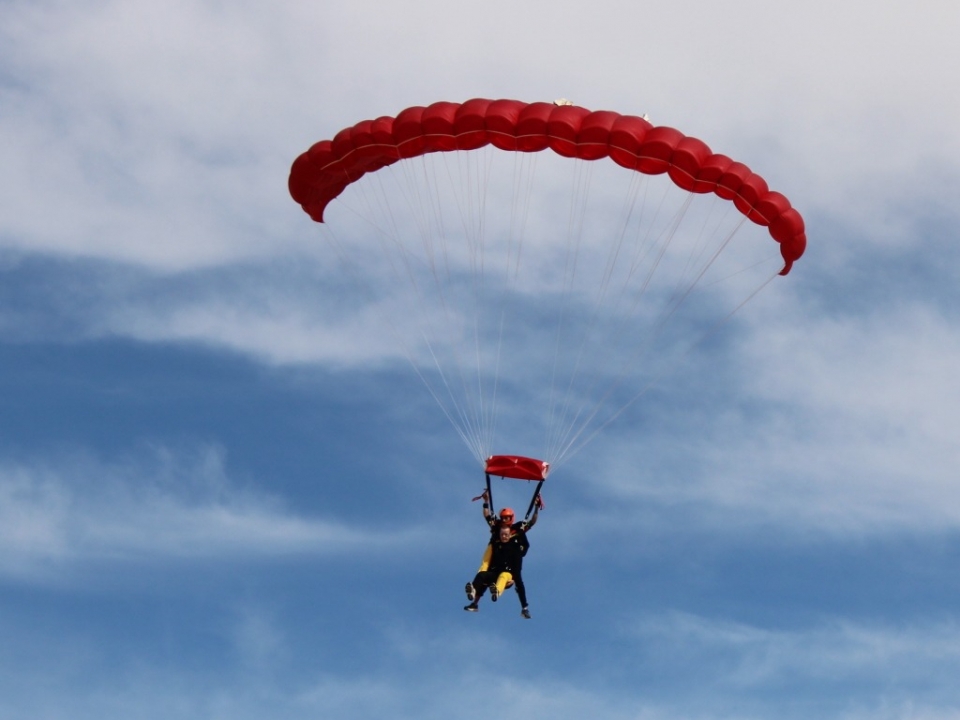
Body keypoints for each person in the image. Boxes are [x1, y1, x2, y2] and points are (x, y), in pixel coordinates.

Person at [464, 491, 540, 618]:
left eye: (507, 518)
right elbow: (487, 516)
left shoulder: (518, 529)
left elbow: (532, 521)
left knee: (509, 578)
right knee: (483, 573)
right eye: (503, 518)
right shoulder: (497, 527)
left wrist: (536, 507)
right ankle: (474, 597)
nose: (504, 520)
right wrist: (486, 502)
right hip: (496, 556)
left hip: (510, 566)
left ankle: (521, 605)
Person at [464, 524, 529, 616]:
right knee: (482, 575)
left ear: (510, 534)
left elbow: (526, 545)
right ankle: (473, 590)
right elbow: (493, 532)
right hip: (495, 573)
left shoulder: (515, 547)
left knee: (503, 576)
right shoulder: (496, 544)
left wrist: (522, 532)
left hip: (508, 576)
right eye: (502, 534)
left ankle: (496, 591)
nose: (504, 536)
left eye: (506, 535)